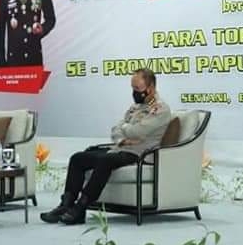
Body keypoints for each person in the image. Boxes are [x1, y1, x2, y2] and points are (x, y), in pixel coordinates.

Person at [41, 68, 171, 225]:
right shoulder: (135, 107)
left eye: (137, 88)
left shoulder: (160, 109)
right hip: (120, 148)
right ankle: (65, 205)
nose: (134, 92)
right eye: (132, 88)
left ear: (150, 88)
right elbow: (115, 130)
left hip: (139, 154)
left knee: (105, 160)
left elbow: (137, 131)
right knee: (78, 158)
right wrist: (123, 138)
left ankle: (81, 207)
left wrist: (126, 128)